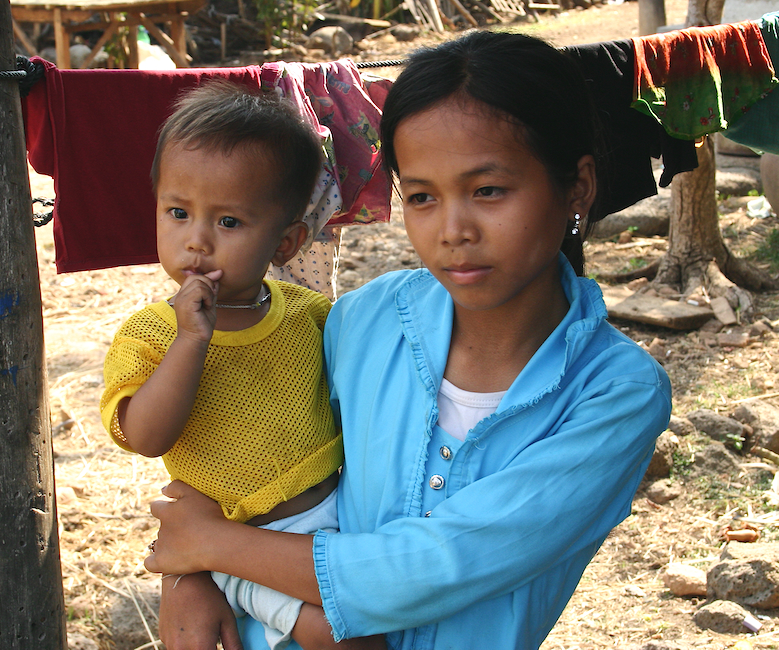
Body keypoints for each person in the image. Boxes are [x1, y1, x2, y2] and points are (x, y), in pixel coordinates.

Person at [143, 30, 673, 650]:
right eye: (421, 197)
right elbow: (240, 452)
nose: (453, 230)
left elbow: (431, 567)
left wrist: (208, 548)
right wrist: (188, 578)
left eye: (488, 191)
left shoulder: (615, 394)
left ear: (577, 186)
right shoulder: (360, 322)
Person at [100, 82, 385, 650]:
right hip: (231, 542)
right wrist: (189, 342)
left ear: (286, 243)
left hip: (334, 521)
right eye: (178, 213)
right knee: (345, 638)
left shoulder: (311, 316)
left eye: (228, 222)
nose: (197, 243)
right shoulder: (152, 334)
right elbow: (146, 436)